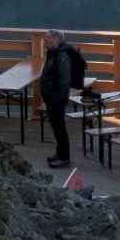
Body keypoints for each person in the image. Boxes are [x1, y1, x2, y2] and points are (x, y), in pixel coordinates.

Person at [38, 30, 91, 168]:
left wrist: (56, 96)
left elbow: (64, 78)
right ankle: (59, 152)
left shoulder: (62, 56)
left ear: (56, 39)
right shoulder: (55, 53)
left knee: (59, 127)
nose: (45, 40)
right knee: (56, 127)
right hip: (52, 97)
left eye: (48, 38)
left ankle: (64, 157)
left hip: (57, 98)